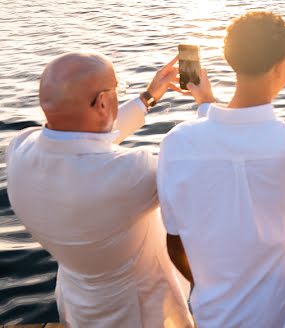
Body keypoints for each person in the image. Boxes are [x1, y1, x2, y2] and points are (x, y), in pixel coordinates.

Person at [157, 0, 285, 327]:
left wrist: (206, 105)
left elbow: (174, 243)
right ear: (282, 67)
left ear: (230, 58)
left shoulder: (177, 145)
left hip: (214, 317)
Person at [6, 53, 193, 327]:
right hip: (141, 312)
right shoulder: (132, 172)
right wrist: (207, 106)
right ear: (104, 102)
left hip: (78, 304)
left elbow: (80, 140)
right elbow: (199, 176)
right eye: (118, 89)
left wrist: (148, 98)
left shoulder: (19, 149)